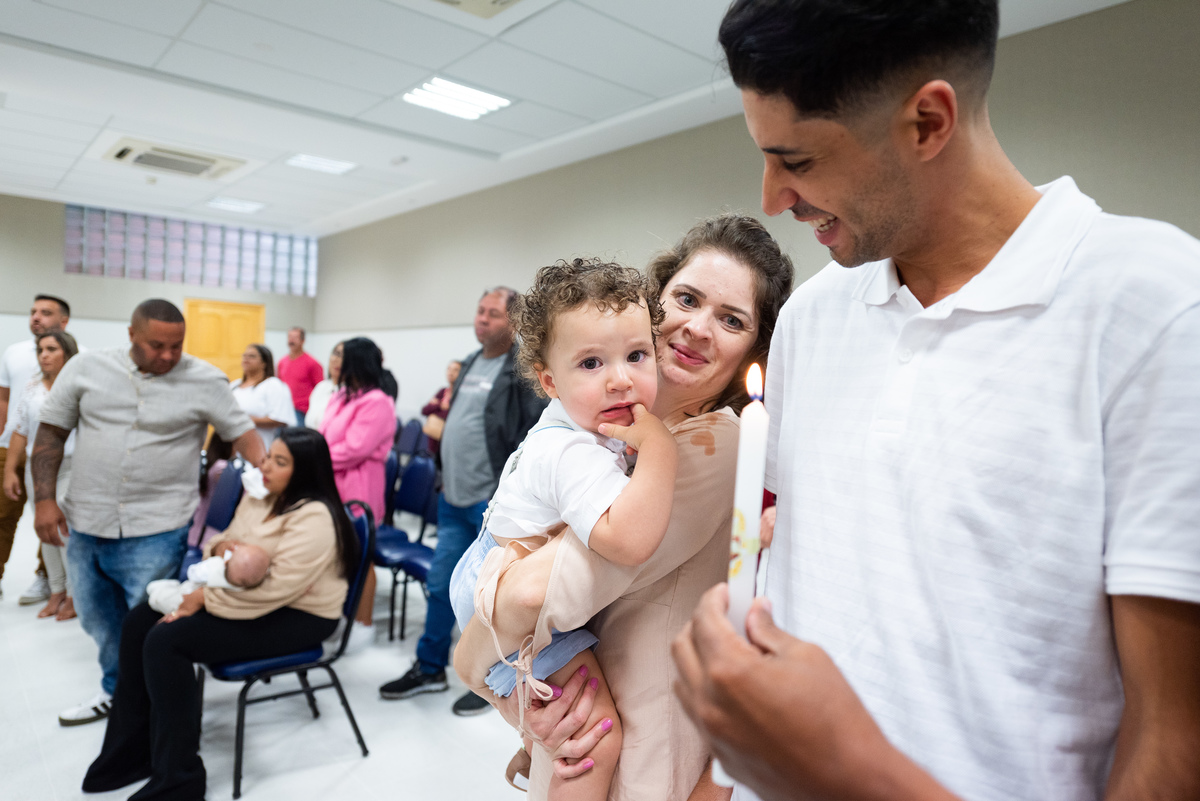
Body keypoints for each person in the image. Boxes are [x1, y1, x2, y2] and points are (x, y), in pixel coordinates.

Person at [671, 3, 1200, 801]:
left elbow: (1173, 744)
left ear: (927, 122)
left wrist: (848, 774)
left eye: (799, 160)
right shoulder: (815, 318)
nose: (774, 198)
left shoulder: (1155, 310)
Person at [453, 214, 793, 799]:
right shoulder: (602, 424)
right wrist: (520, 708)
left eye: (731, 319)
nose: (696, 328)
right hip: (577, 721)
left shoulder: (714, 442)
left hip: (639, 746)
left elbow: (537, 593)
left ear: (753, 350)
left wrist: (473, 669)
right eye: (686, 299)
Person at [450, 259, 677, 800]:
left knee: (559, 721)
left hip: (500, 565)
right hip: (501, 579)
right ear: (550, 381)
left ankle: (530, 736)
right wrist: (662, 448)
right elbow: (628, 541)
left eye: (637, 355)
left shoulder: (584, 420)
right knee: (592, 741)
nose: (620, 377)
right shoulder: (569, 449)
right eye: (592, 362)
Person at [81, 428, 356, 800]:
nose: (265, 465)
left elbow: (276, 589)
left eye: (279, 461)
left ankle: (180, 778)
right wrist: (227, 549)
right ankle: (131, 753)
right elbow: (217, 540)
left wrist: (204, 600)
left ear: (305, 471)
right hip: (247, 597)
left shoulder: (315, 518)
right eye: (267, 456)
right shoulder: (261, 496)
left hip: (299, 617)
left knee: (167, 640)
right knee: (139, 621)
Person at [32, 299, 265, 727]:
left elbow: (243, 433)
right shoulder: (85, 369)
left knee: (152, 625)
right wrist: (44, 500)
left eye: (176, 346)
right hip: (86, 522)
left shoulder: (206, 379)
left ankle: (153, 703)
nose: (168, 356)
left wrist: (266, 476)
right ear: (131, 335)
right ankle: (116, 690)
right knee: (99, 621)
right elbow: (50, 432)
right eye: (156, 345)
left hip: (158, 527)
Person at [380, 287, 548, 716]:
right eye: (479, 311)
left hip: (490, 504)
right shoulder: (473, 361)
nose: (482, 319)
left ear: (513, 322)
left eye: (493, 313)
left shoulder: (522, 370)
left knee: (484, 599)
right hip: (453, 496)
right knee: (442, 586)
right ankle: (431, 666)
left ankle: (487, 678)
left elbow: (531, 433)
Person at [319, 336, 397, 650]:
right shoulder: (340, 396)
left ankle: (362, 627)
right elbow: (325, 436)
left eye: (342, 355)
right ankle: (340, 617)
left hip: (359, 488)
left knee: (361, 560)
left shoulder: (377, 401)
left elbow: (354, 449)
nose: (335, 361)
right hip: (332, 486)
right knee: (339, 558)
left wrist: (315, 458)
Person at [3, 329, 79, 620]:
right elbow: (20, 430)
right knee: (45, 532)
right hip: (37, 469)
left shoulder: (77, 388)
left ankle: (73, 595)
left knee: (66, 532)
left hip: (70, 467)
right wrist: (10, 470)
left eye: (51, 349)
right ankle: (56, 592)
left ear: (67, 354)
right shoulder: (33, 387)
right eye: (40, 350)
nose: (44, 355)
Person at [146, 542, 272, 615]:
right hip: (204, 608)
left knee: (157, 594)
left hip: (184, 598)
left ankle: (155, 592)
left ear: (227, 562)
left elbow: (192, 573)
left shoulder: (215, 566)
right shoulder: (243, 585)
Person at [230, 343, 294, 449]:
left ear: (264, 363)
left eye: (252, 356)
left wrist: (244, 419)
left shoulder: (273, 385)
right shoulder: (234, 385)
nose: (246, 359)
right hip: (232, 447)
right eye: (244, 356)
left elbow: (280, 418)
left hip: (262, 445)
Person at [278, 327, 324, 426]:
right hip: (284, 410)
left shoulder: (312, 363)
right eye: (290, 337)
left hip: (301, 411)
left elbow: (321, 389)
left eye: (295, 338)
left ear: (303, 341)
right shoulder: (282, 362)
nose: (291, 340)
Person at [420, 359, 460, 456]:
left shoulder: (460, 395)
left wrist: (435, 409)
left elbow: (454, 416)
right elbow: (425, 410)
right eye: (449, 369)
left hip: (449, 446)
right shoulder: (442, 392)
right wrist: (441, 406)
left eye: (455, 370)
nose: (451, 373)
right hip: (433, 444)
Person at [305, 342, 342, 429]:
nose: (336, 359)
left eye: (342, 356)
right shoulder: (321, 387)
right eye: (335, 354)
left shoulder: (351, 392)